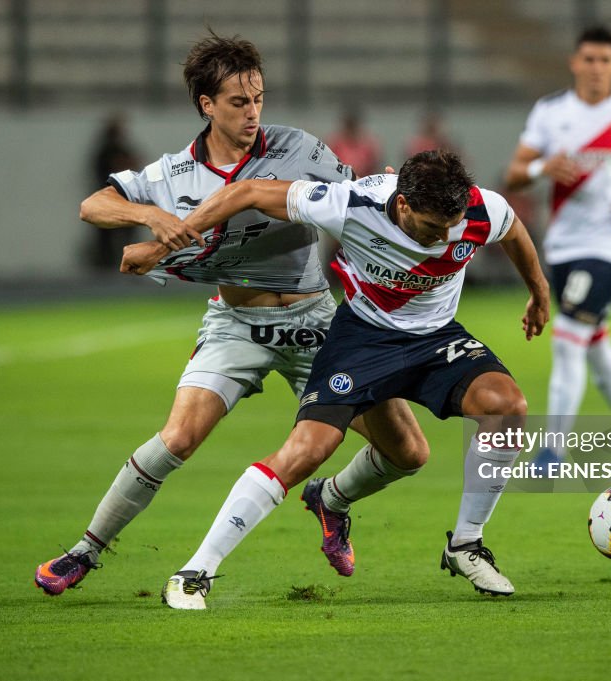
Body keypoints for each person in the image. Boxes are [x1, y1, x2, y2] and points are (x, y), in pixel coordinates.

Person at [34, 32, 427, 597]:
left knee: (408, 451)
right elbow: (93, 205)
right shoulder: (174, 175)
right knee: (177, 439)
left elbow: (360, 198)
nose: (253, 112)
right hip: (235, 324)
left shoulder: (300, 149)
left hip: (314, 323)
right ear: (207, 105)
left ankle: (330, 498)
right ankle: (84, 551)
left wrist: (391, 193)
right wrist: (148, 216)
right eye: (239, 102)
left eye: (258, 98)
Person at [151, 150, 552, 610]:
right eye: (430, 229)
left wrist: (539, 293)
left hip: (435, 338)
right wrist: (162, 247)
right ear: (402, 205)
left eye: (450, 228)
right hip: (363, 339)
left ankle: (464, 545)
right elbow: (247, 192)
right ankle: (195, 571)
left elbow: (514, 231)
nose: (444, 240)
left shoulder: (481, 209)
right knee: (308, 451)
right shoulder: (351, 204)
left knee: (508, 408)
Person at [503, 26, 611, 465]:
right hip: (563, 243)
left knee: (569, 336)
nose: (596, 68)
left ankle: (552, 449)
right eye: (588, 59)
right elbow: (513, 174)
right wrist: (541, 166)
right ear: (575, 63)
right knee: (594, 340)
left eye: (605, 60)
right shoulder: (550, 112)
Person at [87, 114, 143, 269]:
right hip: (111, 198)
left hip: (122, 198)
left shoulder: (119, 150)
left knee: (125, 234)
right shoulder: (106, 152)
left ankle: (128, 263)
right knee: (106, 236)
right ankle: (106, 265)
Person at [326, 108, 382, 178]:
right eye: (348, 126)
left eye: (352, 126)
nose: (350, 130)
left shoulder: (368, 144)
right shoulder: (335, 144)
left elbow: (375, 165)